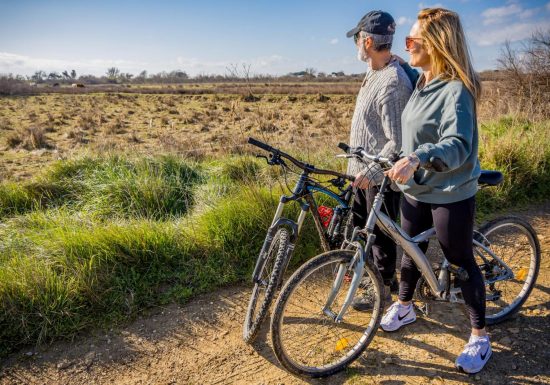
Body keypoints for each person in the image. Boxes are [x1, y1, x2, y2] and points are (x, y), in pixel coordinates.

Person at [381, 8, 490, 374]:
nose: (406, 46)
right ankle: (406, 305)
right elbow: (416, 129)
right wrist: (397, 159)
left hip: (449, 190)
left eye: (412, 41)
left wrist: (417, 157)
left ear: (437, 45)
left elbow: (457, 144)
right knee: (410, 250)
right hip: (416, 187)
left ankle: (479, 335)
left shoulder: (456, 90)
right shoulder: (424, 81)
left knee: (459, 261)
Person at [344, 10, 418, 310]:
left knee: (380, 237)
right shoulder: (374, 70)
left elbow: (397, 141)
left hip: (378, 175)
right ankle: (367, 279)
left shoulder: (393, 82)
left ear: (368, 40)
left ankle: (383, 288)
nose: (356, 45)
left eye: (357, 40)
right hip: (360, 172)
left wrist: (373, 170)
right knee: (361, 230)